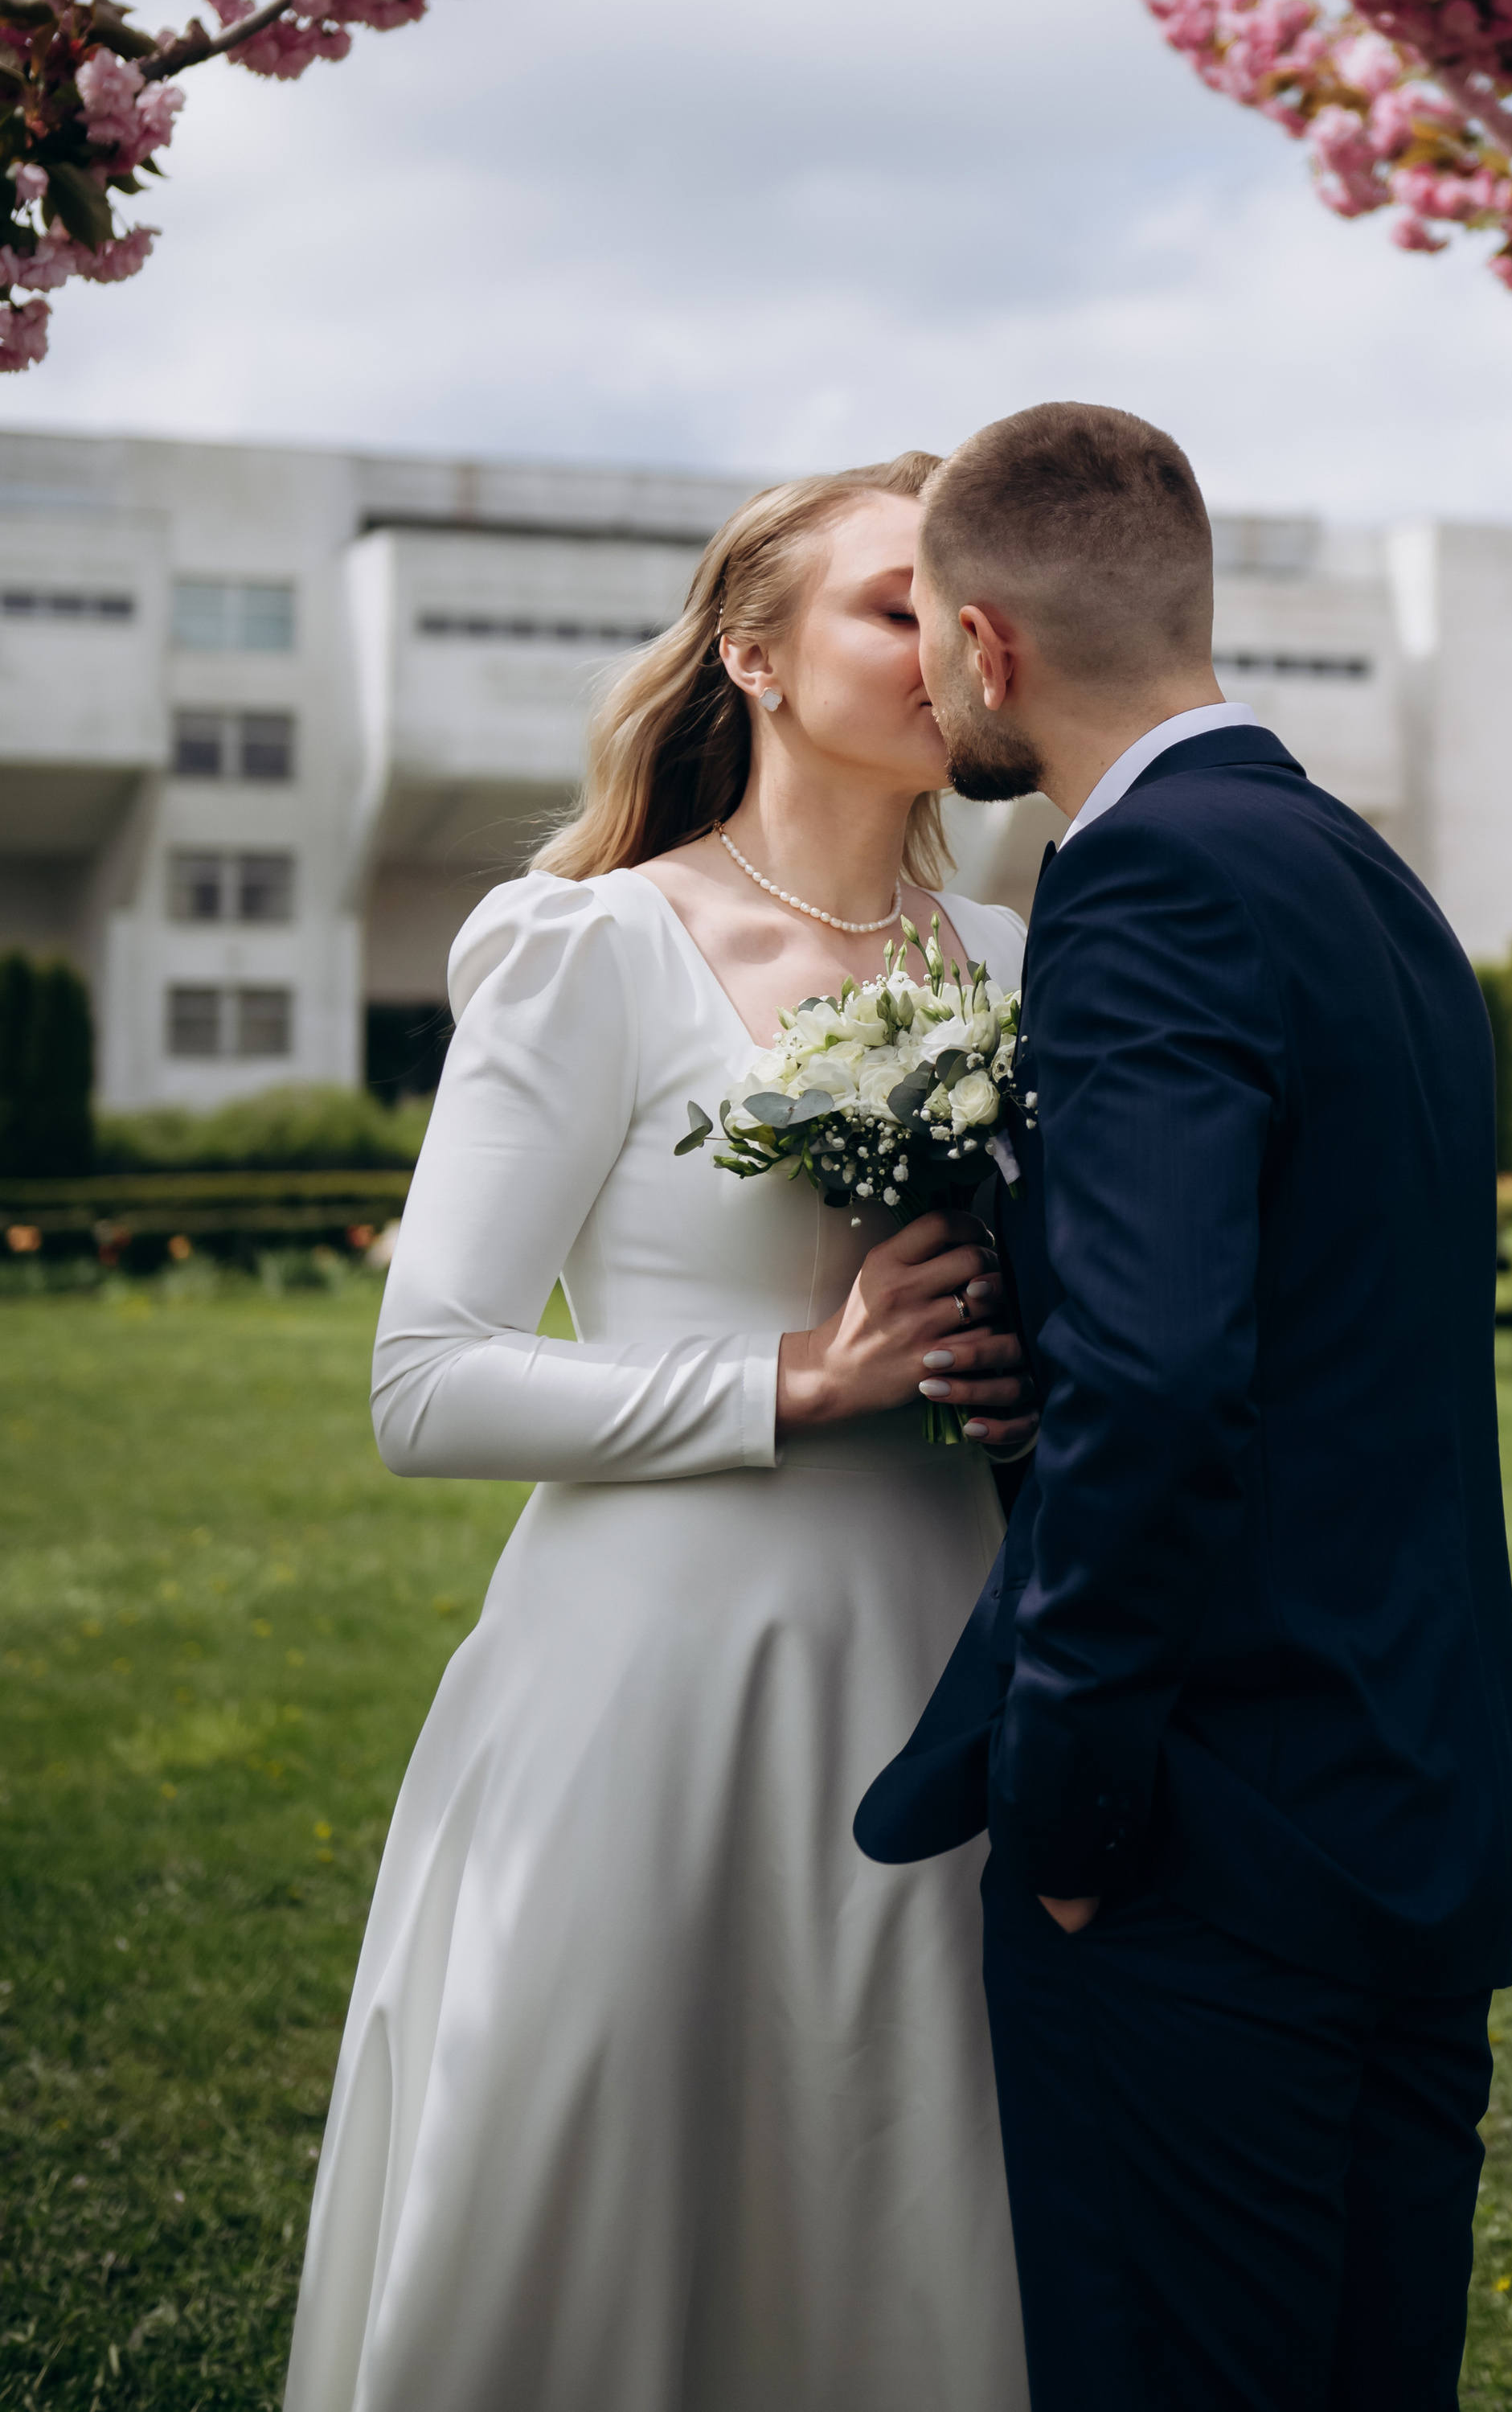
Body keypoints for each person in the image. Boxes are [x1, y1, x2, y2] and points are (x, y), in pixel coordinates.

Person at [284, 455, 1035, 2412]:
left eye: (966, 608)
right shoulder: (589, 946)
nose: (948, 646)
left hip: (947, 1660)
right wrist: (801, 1378)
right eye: (892, 604)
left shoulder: (1033, 970)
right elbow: (426, 1379)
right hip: (653, 1684)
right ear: (754, 653)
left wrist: (1019, 1379)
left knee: (905, 2177)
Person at [856, 402, 1512, 2412]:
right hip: (1410, 1799)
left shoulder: (1138, 881)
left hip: (1207, 1848)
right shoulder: (1359, 873)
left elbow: (1154, 1388)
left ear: (986, 649)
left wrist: (1068, 1815)